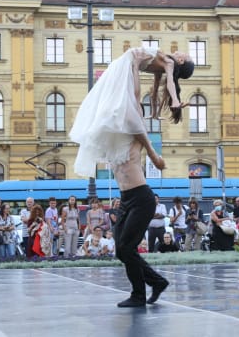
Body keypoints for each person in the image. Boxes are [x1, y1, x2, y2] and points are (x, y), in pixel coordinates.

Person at [70, 45, 181, 307]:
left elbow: (134, 97)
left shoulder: (133, 128)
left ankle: (140, 293)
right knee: (122, 249)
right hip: (126, 198)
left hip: (142, 198)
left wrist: (154, 156)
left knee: (125, 248)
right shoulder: (114, 138)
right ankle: (154, 283)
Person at [69, 46, 194, 178]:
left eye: (185, 55)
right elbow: (155, 91)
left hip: (124, 65)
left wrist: (174, 100)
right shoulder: (163, 63)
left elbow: (168, 84)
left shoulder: (169, 62)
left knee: (123, 102)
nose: (182, 51)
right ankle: (105, 120)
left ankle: (104, 120)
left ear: (180, 60)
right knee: (119, 102)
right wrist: (155, 113)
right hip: (124, 65)